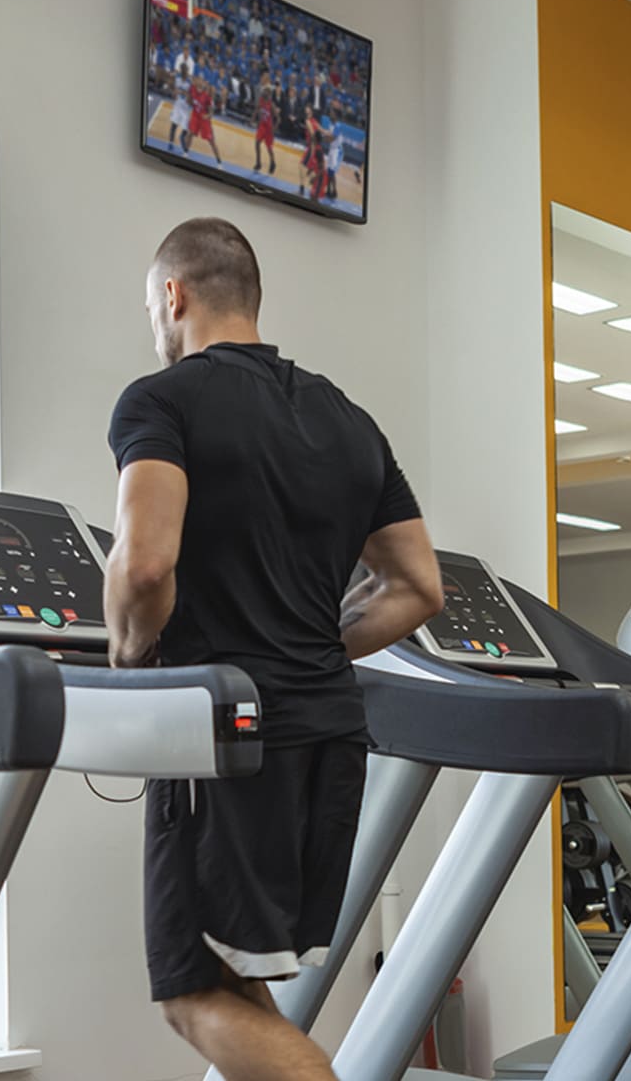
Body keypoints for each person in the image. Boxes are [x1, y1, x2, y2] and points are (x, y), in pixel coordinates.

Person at [104, 217, 442, 1081]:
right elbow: (418, 589)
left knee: (192, 992)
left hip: (228, 744)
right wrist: (309, 648)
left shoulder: (161, 400)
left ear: (173, 296)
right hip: (330, 736)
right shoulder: (350, 421)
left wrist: (127, 662)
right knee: (237, 981)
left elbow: (144, 566)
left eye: (153, 304)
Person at [187, 76, 222, 167]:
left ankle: (219, 161)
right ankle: (185, 152)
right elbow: (189, 100)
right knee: (190, 133)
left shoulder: (207, 96)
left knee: (211, 140)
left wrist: (208, 115)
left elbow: (211, 111)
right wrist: (189, 100)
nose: (199, 81)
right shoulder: (193, 89)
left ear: (203, 83)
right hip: (195, 115)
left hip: (204, 119)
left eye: (201, 80)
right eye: (198, 79)